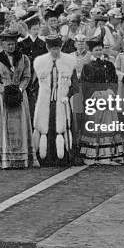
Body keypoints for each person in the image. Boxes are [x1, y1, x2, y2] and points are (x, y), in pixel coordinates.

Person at [0, 28, 37, 169]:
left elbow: (27, 76)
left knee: (20, 125)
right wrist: (5, 91)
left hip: (19, 94)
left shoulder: (24, 58)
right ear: (2, 44)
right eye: (8, 44)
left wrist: (19, 89)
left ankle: (21, 158)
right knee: (3, 125)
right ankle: (4, 158)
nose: (11, 46)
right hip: (3, 96)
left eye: (13, 44)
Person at [79, 38, 124, 165]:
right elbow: (85, 84)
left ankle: (110, 152)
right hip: (95, 98)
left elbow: (114, 80)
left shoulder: (109, 64)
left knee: (109, 122)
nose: (99, 52)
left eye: (100, 49)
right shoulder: (87, 66)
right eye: (96, 50)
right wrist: (94, 94)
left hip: (108, 97)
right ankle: (95, 152)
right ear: (91, 51)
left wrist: (111, 91)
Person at [32, 34, 79, 167]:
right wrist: (38, 97)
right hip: (46, 101)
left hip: (62, 100)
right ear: (47, 48)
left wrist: (68, 95)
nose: (55, 51)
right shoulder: (40, 62)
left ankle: (63, 157)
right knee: (46, 126)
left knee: (62, 125)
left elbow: (75, 84)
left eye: (58, 48)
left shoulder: (69, 61)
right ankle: (45, 157)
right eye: (53, 49)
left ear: (61, 47)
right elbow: (34, 85)